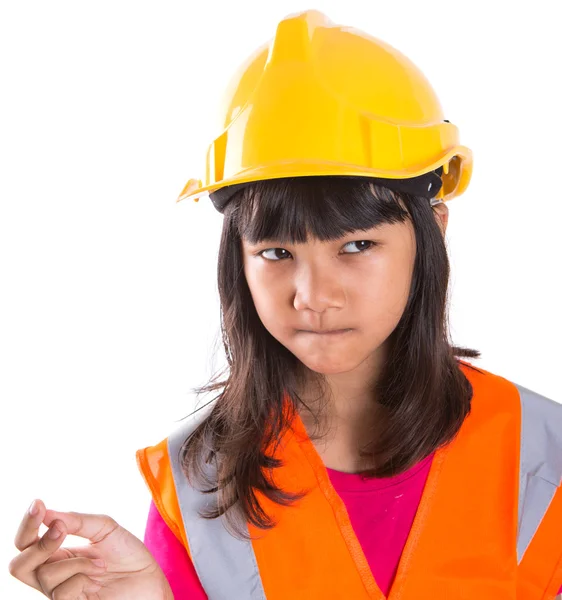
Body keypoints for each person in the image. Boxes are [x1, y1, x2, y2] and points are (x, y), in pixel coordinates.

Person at [8, 9, 562, 600]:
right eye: (276, 252)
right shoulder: (196, 487)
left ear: (434, 230)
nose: (314, 296)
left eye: (356, 245)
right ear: (238, 262)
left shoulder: (544, 457)